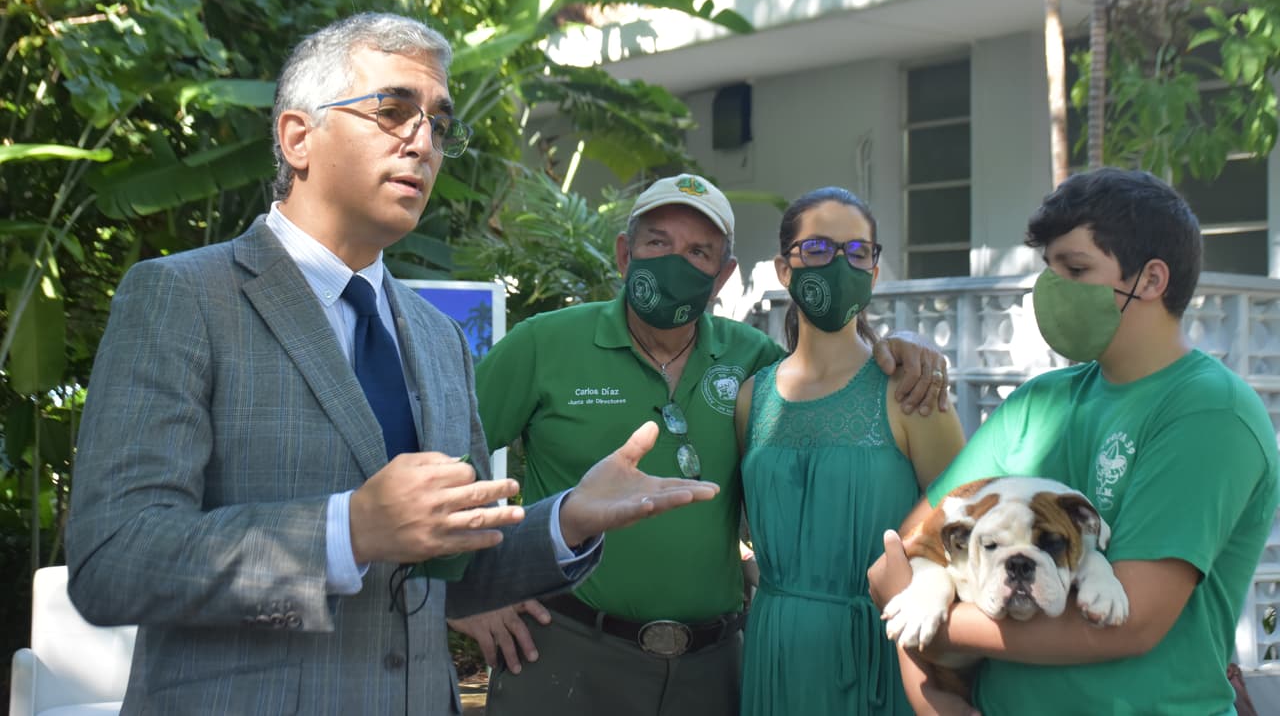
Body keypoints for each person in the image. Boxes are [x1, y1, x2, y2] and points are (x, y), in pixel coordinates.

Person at [63, 12, 720, 716]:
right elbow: (113, 560)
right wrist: (346, 530)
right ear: (298, 137)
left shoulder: (438, 339)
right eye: (393, 110)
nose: (423, 141)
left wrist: (566, 521)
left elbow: (453, 569)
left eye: (438, 122)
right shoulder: (185, 298)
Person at [455, 172, 953, 716]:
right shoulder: (544, 344)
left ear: (723, 274)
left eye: (699, 252)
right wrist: (461, 597)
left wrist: (905, 349)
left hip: (712, 668)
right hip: (568, 655)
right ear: (624, 254)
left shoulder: (754, 365)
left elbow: (830, 387)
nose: (677, 263)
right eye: (658, 243)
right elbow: (439, 454)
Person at [868, 168, 1280, 716]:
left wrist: (933, 624)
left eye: (1076, 269)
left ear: (1151, 280)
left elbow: (1130, 622)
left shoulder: (1209, 412)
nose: (1052, 289)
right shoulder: (1037, 403)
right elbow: (912, 549)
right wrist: (927, 689)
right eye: (1050, 268)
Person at [735, 187, 966, 715]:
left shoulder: (911, 392)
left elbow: (964, 526)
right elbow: (736, 527)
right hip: (777, 650)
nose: (839, 264)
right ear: (784, 269)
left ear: (874, 271)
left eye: (857, 252)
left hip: (878, 652)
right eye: (817, 248)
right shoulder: (752, 399)